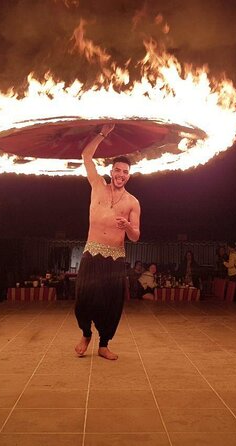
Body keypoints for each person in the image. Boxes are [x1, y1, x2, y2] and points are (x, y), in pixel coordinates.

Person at [74, 123, 141, 360]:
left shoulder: (133, 202)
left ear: (128, 176)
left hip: (115, 257)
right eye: (117, 170)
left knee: (111, 304)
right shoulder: (97, 186)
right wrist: (103, 134)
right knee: (83, 299)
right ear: (111, 171)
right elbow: (86, 155)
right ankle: (85, 333)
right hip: (92, 252)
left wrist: (128, 227)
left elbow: (136, 236)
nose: (120, 175)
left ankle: (104, 344)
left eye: (125, 172)